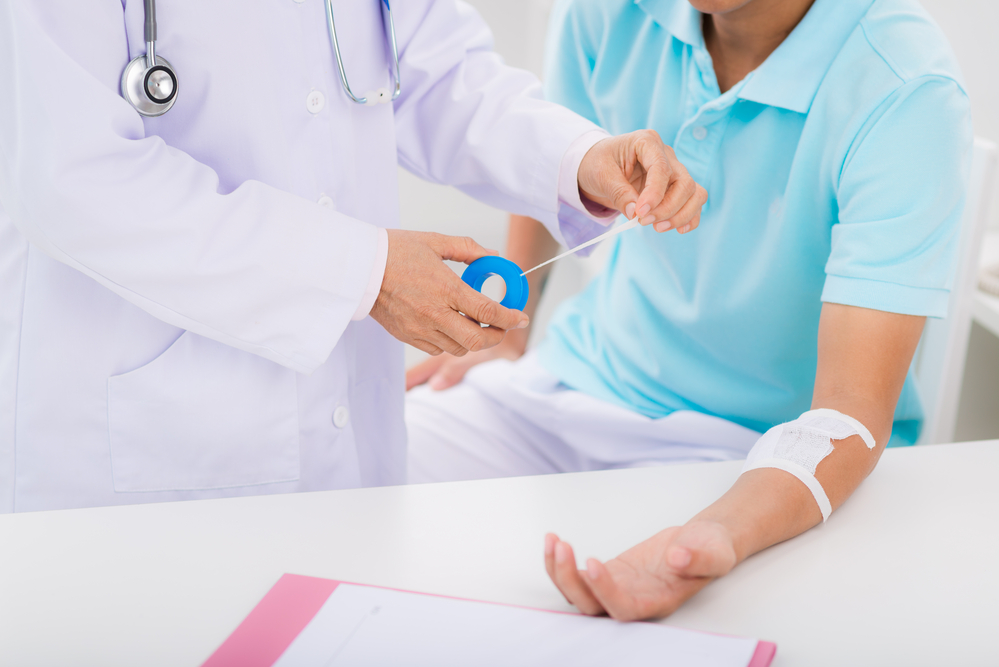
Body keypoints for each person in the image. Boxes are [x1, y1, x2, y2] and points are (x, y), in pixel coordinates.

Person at [0, 0, 707, 513]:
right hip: (141, 444)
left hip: (342, 437)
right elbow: (75, 177)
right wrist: (363, 273)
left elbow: (435, 72)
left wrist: (575, 157)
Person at [405, 0, 973, 619]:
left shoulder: (903, 87)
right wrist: (515, 340)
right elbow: (548, 155)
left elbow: (850, 411)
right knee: (337, 492)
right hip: (564, 387)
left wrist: (718, 533)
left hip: (747, 457)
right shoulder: (608, 14)